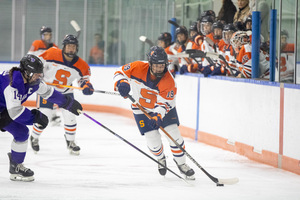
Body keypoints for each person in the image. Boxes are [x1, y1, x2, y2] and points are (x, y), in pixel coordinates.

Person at [113, 46, 195, 180]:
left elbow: (166, 103)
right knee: (152, 139)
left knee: (174, 135)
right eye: (156, 65)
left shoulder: (169, 81)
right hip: (141, 109)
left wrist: (158, 114)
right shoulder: (138, 67)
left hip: (165, 110)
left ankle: (182, 164)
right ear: (150, 63)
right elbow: (119, 72)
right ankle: (160, 158)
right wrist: (121, 82)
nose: (159, 69)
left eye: (162, 65)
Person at [0, 54, 82, 181]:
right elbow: (15, 111)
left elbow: (48, 92)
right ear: (27, 72)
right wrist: (35, 117)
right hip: (6, 110)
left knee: (21, 132)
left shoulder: (32, 80)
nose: (39, 76)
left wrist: (67, 103)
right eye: (36, 73)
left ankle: (16, 167)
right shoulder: (12, 83)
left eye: (40, 73)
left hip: (3, 110)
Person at [30, 34, 94, 155]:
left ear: (77, 48)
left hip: (66, 92)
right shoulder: (51, 53)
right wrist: (38, 75)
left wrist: (86, 86)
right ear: (64, 47)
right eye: (69, 46)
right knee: (45, 115)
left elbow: (84, 80)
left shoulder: (82, 65)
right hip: (47, 91)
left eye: (74, 46)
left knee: (70, 115)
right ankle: (34, 137)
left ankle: (70, 142)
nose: (71, 49)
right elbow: (38, 64)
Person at [28, 26, 61, 126]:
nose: (47, 36)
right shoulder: (37, 43)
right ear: (42, 35)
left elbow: (59, 58)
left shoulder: (53, 46)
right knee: (41, 91)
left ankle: (54, 115)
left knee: (52, 92)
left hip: (48, 74)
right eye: (45, 34)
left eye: (49, 34)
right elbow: (29, 56)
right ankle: (40, 115)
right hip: (37, 73)